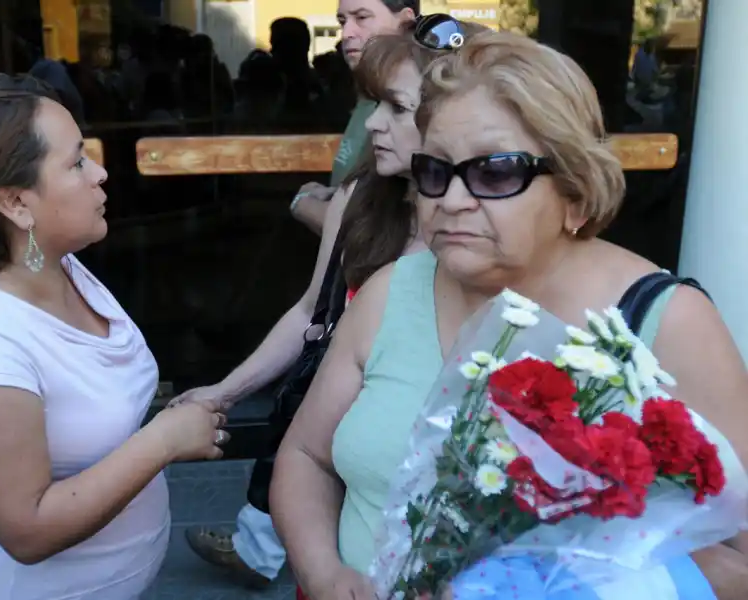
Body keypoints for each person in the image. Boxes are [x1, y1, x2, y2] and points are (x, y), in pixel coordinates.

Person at [269, 31, 748, 600]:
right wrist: (324, 573)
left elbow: (739, 560)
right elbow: (305, 457)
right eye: (433, 171)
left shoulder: (665, 322)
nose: (450, 200)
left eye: (495, 172)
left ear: (576, 191)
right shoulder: (392, 291)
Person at [0, 72, 230, 600]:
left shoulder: (61, 266)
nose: (101, 173)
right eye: (77, 162)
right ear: (14, 203)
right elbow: (27, 530)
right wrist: (164, 440)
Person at [172, 14, 480, 589]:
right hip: (340, 447)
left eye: (395, 108)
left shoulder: (484, 233)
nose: (376, 126)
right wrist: (224, 391)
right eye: (372, 107)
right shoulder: (361, 199)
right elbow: (311, 313)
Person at [289, 0, 419, 236]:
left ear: (406, 22)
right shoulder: (366, 98)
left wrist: (305, 205)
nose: (346, 33)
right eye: (342, 21)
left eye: (362, 18)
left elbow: (385, 232)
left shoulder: (420, 104)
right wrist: (334, 194)